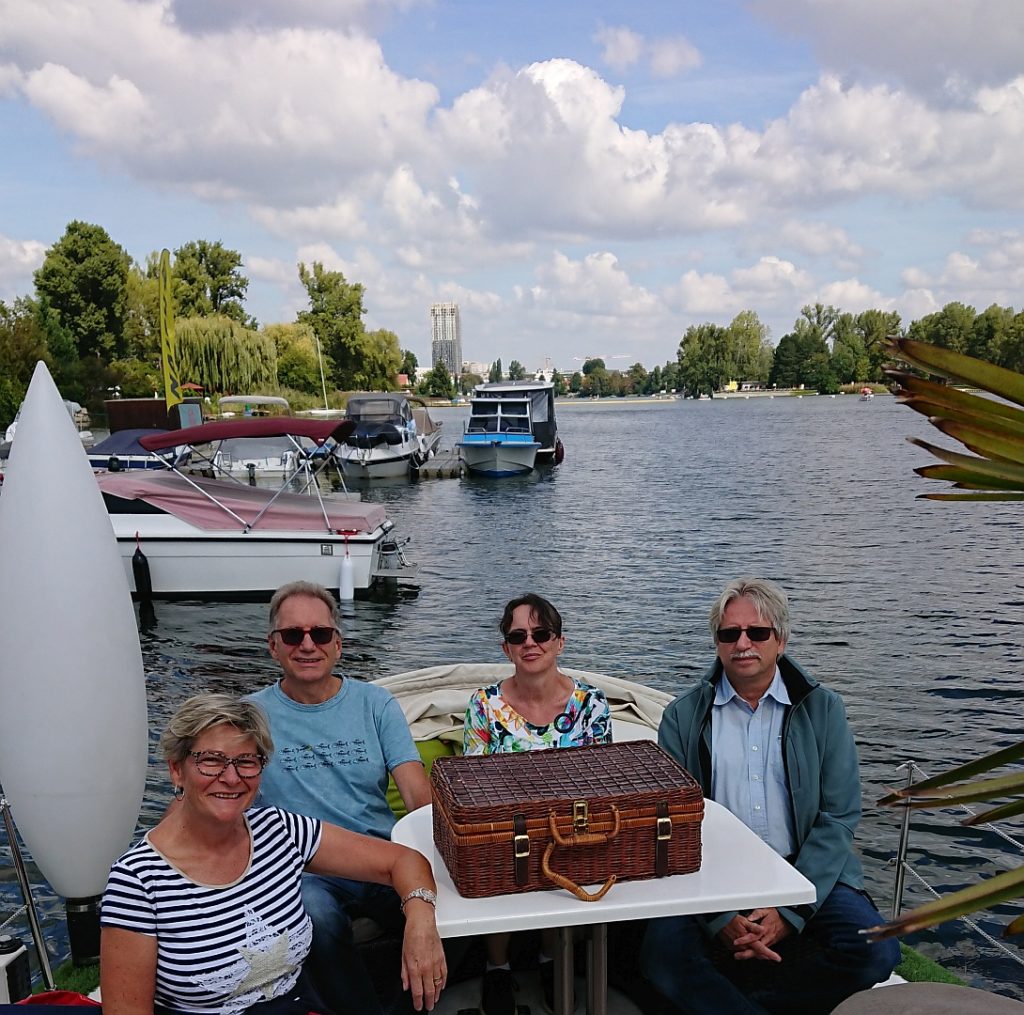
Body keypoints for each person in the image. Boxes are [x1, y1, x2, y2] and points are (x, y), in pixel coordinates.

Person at [640, 578, 900, 1014]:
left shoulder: (823, 709)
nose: (742, 644)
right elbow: (673, 823)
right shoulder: (683, 717)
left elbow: (838, 816)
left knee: (877, 951)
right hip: (711, 875)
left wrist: (791, 911)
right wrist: (719, 916)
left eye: (757, 632)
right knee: (661, 958)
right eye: (729, 634)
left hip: (804, 868)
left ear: (781, 640)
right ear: (717, 643)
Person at [100, 693, 445, 1015]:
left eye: (246, 761)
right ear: (177, 770)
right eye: (211, 761)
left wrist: (419, 921)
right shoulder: (137, 880)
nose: (231, 777)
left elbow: (402, 860)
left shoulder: (279, 830)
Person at [248, 581, 432, 1015]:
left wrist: (438, 866)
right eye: (292, 635)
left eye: (320, 633)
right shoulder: (249, 717)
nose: (307, 645)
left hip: (381, 858)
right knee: (316, 917)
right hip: (303, 869)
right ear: (273, 647)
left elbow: (415, 794)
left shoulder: (375, 704)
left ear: (338, 644)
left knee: (449, 909)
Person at [463, 593, 611, 1015]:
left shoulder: (591, 705)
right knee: (493, 849)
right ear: (506, 648)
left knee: (566, 845)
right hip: (503, 827)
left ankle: (552, 958)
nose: (530, 643)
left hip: (570, 826)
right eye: (518, 636)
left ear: (559, 642)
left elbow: (601, 779)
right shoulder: (483, 705)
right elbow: (474, 783)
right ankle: (497, 966)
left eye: (541, 633)